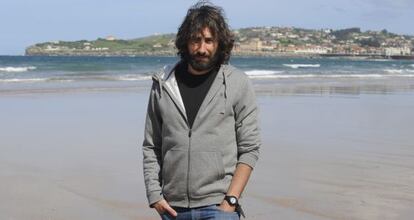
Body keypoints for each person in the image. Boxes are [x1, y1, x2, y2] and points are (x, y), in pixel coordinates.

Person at [142, 1, 260, 219]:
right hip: (172, 208)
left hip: (218, 205)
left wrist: (231, 200)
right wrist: (154, 196)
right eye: (196, 40)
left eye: (209, 40)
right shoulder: (163, 83)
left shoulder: (237, 83)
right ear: (185, 42)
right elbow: (152, 145)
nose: (202, 48)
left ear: (219, 43)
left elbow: (250, 148)